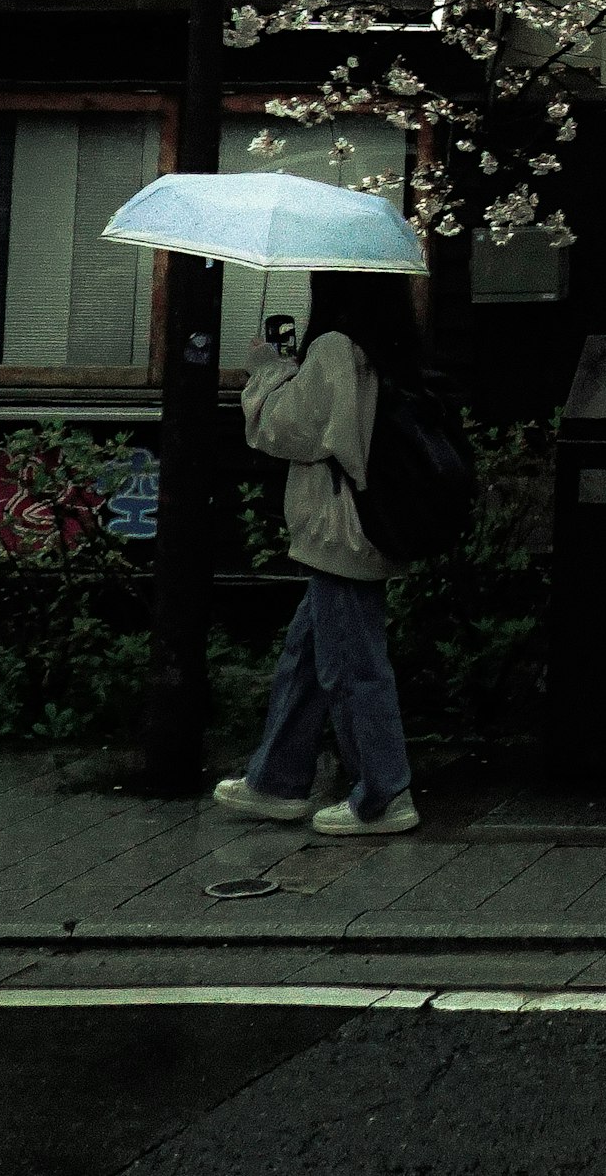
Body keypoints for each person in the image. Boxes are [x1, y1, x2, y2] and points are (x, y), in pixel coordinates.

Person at [212, 271, 425, 837]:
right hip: (367, 524)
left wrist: (266, 371)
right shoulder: (392, 347)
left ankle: (383, 794)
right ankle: (277, 780)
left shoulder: (336, 349)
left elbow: (286, 431)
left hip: (340, 530)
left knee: (351, 664)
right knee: (308, 657)